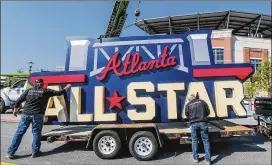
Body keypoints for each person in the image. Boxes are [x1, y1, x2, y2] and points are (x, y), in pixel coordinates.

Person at [6, 79, 71, 159]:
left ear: (35, 84)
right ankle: (35, 152)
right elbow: (59, 93)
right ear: (42, 84)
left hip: (25, 114)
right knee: (36, 133)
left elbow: (19, 100)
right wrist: (66, 87)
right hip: (37, 115)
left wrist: (15, 109)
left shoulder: (28, 91)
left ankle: (10, 153)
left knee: (19, 133)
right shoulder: (45, 91)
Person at [185, 93, 211, 165]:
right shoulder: (202, 102)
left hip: (193, 124)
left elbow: (187, 115)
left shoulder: (188, 105)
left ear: (190, 98)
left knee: (194, 141)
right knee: (205, 141)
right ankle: (208, 160)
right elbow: (208, 111)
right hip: (203, 123)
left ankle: (195, 158)